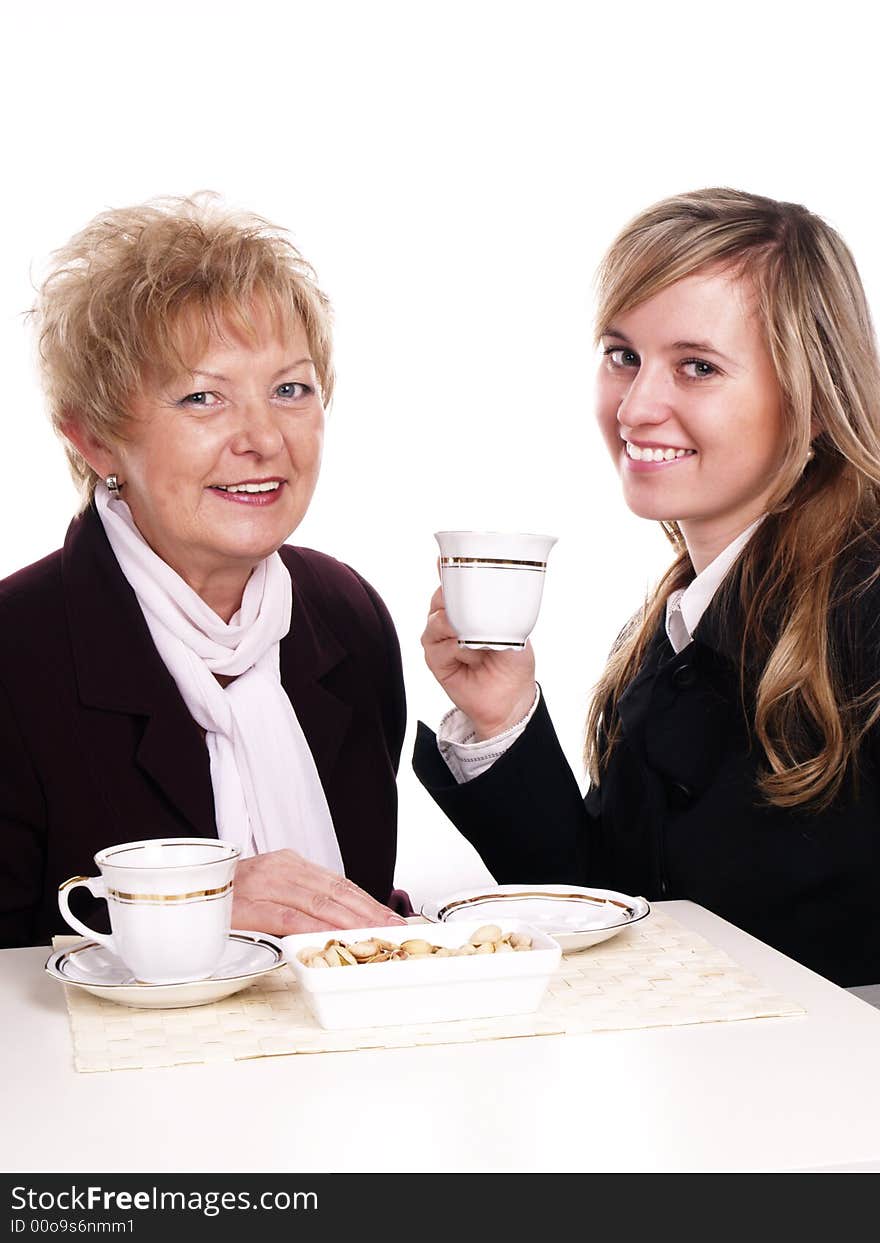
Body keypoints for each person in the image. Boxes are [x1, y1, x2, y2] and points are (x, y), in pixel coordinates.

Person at [415, 188, 880, 989]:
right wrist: (502, 719)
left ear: (810, 402)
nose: (635, 407)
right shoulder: (683, 622)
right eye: (622, 354)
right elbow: (622, 911)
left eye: (697, 366)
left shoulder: (865, 605)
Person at [0, 193, 409, 947]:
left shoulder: (348, 616)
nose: (262, 437)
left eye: (290, 388)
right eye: (202, 397)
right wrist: (192, 909)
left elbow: (359, 905)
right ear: (93, 439)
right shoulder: (13, 649)